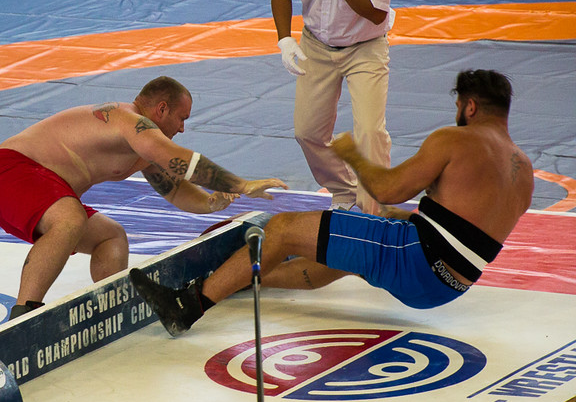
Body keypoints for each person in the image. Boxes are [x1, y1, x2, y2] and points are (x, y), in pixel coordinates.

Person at [131, 70, 534, 336]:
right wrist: (400, 219)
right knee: (340, 256)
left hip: (414, 259)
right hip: (448, 287)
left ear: (470, 106)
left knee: (284, 230)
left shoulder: (457, 138)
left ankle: (187, 305)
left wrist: (352, 154)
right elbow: (458, 229)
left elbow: (388, 190)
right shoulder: (525, 170)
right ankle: (242, 276)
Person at [0, 76, 289, 319]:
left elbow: (176, 188)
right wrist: (242, 184)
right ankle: (24, 312)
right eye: (182, 118)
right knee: (70, 217)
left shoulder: (143, 147)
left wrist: (211, 202)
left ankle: (107, 307)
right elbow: (178, 158)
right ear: (161, 109)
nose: (182, 128)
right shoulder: (129, 121)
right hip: (12, 172)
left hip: (35, 187)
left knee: (111, 237)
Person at [267, 0, 395, 214]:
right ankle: (343, 189)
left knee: (369, 131)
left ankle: (373, 210)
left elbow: (376, 12)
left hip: (365, 45)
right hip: (316, 43)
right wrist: (285, 39)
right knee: (307, 131)